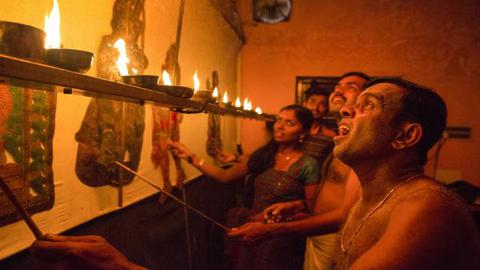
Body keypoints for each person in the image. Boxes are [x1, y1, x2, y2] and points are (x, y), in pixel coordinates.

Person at [228, 72, 370, 270]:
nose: (338, 90)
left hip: (334, 235)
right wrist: (298, 205)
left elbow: (347, 213)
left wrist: (272, 230)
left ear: (367, 99)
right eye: (338, 85)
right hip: (314, 230)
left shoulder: (362, 146)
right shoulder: (341, 139)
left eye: (351, 87)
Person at [334, 77, 480, 269]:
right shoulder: (366, 199)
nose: (345, 110)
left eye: (369, 105)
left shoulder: (427, 207)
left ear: (406, 136)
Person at [170, 104, 319, 270]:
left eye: (289, 123)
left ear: (303, 132)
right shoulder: (264, 155)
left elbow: (311, 206)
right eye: (279, 120)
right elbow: (225, 176)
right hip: (251, 229)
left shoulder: (308, 164)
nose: (280, 126)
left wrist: (283, 217)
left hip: (281, 236)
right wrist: (191, 157)